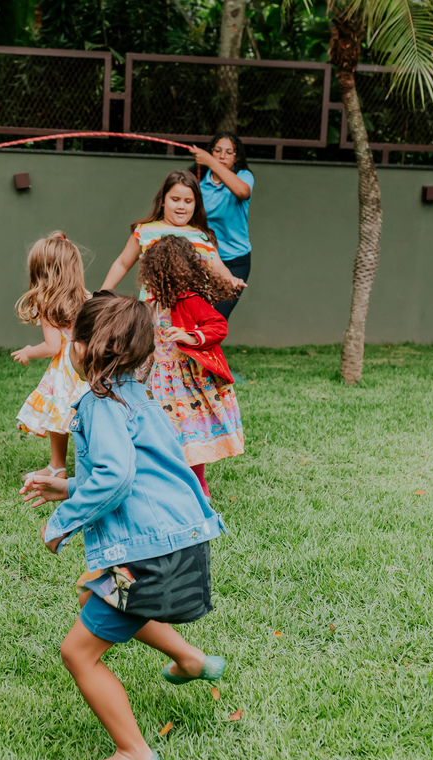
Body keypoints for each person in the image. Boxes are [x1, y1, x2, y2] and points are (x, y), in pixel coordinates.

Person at [20, 292, 227, 760]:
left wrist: (65, 518)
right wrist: (67, 484)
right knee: (97, 588)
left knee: (79, 653)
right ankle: (191, 657)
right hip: (184, 542)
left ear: (84, 347)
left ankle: (133, 753)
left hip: (148, 557)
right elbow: (140, 473)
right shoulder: (140, 398)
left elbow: (114, 476)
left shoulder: (97, 402)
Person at [139, 236, 244, 497]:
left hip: (185, 381)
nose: (150, 281)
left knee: (188, 432)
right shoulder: (152, 304)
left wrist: (191, 337)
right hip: (160, 381)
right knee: (163, 433)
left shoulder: (189, 300)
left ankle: (199, 490)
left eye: (156, 274)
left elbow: (218, 325)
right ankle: (169, 483)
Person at [11, 231, 90, 479]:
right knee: (84, 415)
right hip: (89, 363)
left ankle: (58, 466)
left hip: (67, 368)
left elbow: (53, 345)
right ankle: (81, 467)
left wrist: (29, 352)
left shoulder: (48, 302)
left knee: (61, 413)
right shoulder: (87, 297)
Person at [99, 169, 245, 295]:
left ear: (196, 204)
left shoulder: (202, 236)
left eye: (188, 201)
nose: (181, 206)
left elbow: (218, 267)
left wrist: (231, 279)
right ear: (163, 201)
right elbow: (122, 263)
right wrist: (102, 293)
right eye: (175, 199)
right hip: (154, 315)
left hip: (193, 317)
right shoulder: (145, 231)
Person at [190, 132, 254, 319]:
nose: (222, 155)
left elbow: (242, 192)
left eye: (228, 152)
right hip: (203, 260)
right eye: (217, 151)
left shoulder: (243, 176)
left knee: (216, 319)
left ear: (237, 157)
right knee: (195, 317)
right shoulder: (198, 180)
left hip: (236, 261)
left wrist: (210, 162)